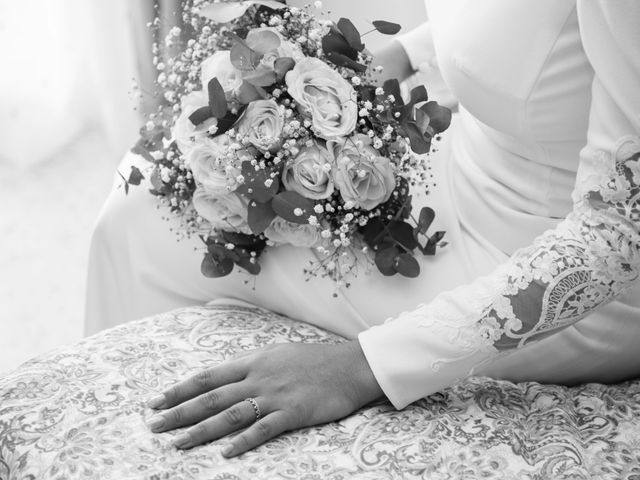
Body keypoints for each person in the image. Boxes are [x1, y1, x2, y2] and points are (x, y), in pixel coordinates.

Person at [86, 0, 640, 458]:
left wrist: (362, 367)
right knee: (144, 207)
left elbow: (619, 232)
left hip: (566, 262)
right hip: (467, 163)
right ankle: (114, 445)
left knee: (146, 240)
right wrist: (394, 58)